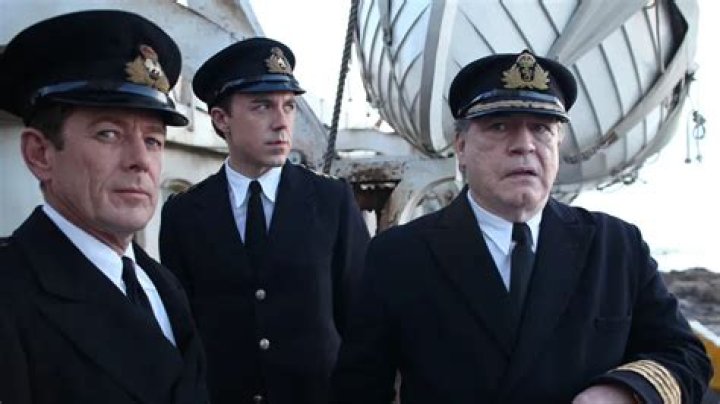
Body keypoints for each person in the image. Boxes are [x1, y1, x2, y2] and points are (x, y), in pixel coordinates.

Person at [330, 50, 712, 403]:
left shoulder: (617, 248)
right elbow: (357, 391)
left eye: (542, 128)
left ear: (558, 143)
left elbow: (684, 355)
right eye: (499, 126)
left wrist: (625, 392)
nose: (524, 145)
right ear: (460, 146)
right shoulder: (399, 256)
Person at [0, 10, 208, 404]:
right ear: (40, 153)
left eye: (153, 140)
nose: (140, 161)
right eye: (109, 134)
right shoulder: (11, 295)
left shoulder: (164, 285)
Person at [159, 37, 370, 404]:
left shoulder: (331, 201)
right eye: (262, 107)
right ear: (221, 119)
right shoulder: (184, 214)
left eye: (288, 106)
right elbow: (183, 334)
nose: (281, 123)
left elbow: (362, 320)